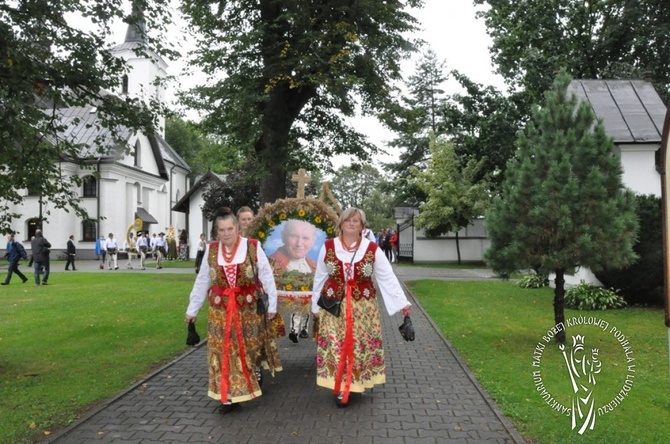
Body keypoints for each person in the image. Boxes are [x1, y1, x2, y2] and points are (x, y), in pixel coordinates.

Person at [311, 207, 411, 408]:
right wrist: (315, 306)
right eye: (348, 220)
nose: (351, 224)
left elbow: (387, 277)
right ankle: (338, 384)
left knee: (359, 346)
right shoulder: (328, 246)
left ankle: (354, 383)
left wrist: (402, 303)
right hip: (334, 307)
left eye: (356, 221)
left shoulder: (371, 249)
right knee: (336, 344)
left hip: (363, 309)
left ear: (362, 226)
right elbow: (320, 277)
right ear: (341, 223)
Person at [185, 208, 282, 414]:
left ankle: (247, 382)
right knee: (222, 351)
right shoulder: (211, 251)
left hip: (246, 310)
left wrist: (272, 305)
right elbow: (203, 280)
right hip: (220, 312)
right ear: (216, 232)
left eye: (230, 228)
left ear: (237, 228)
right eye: (221, 230)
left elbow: (266, 275)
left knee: (247, 349)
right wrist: (192, 310)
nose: (226, 233)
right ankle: (227, 396)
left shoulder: (252, 247)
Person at [269, 219, 317, 343]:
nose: (299, 243)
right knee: (296, 309)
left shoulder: (313, 265)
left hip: (307, 297)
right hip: (290, 297)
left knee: (306, 309)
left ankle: (304, 329)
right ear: (283, 237)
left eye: (305, 238)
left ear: (313, 241)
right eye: (294, 236)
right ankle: (294, 331)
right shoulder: (273, 263)